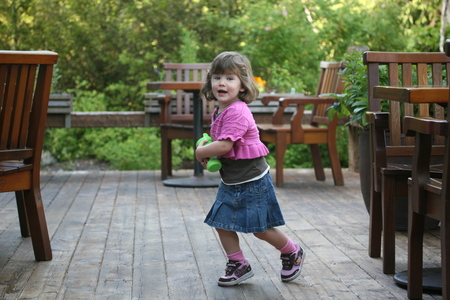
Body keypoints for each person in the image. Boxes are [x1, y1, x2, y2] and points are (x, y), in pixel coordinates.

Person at [196, 51, 305, 287]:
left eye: (229, 78)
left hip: (253, 180)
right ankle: (238, 264)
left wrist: (200, 152)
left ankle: (292, 251)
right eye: (216, 77)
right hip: (233, 179)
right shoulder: (220, 109)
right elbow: (221, 145)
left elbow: (226, 144)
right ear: (210, 82)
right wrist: (209, 150)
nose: (222, 83)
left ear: (243, 85)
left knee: (260, 229)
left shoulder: (237, 110)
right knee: (221, 222)